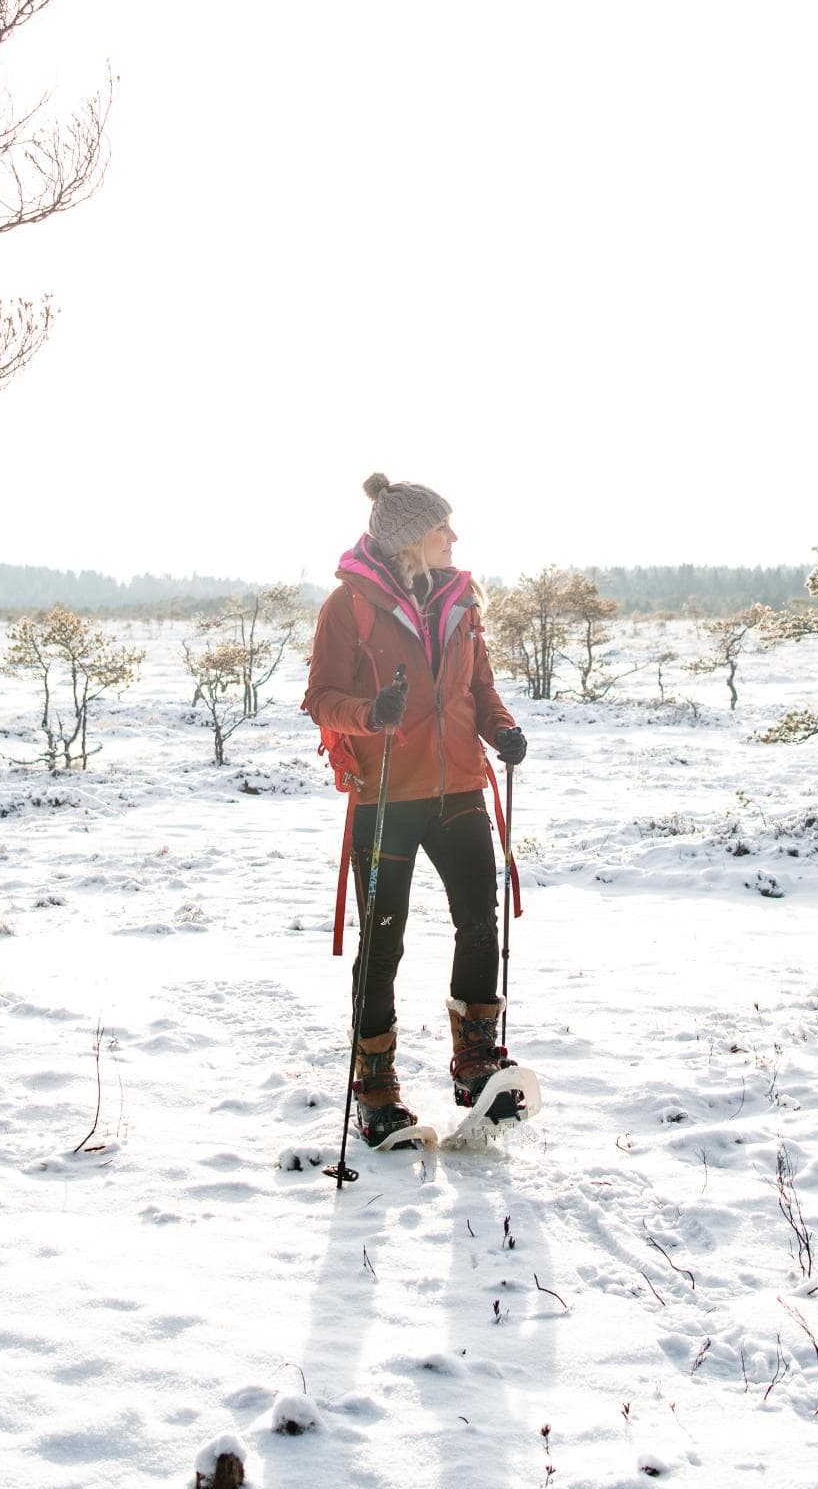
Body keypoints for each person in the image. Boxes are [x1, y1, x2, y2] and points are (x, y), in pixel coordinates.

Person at [304, 472, 530, 1149]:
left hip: (459, 787)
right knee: (383, 944)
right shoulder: (348, 608)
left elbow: (480, 688)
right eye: (442, 528)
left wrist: (502, 730)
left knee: (479, 921)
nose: (453, 538)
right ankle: (375, 1089)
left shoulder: (463, 601)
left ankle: (476, 1062)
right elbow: (321, 697)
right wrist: (372, 715)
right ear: (408, 541)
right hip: (384, 797)